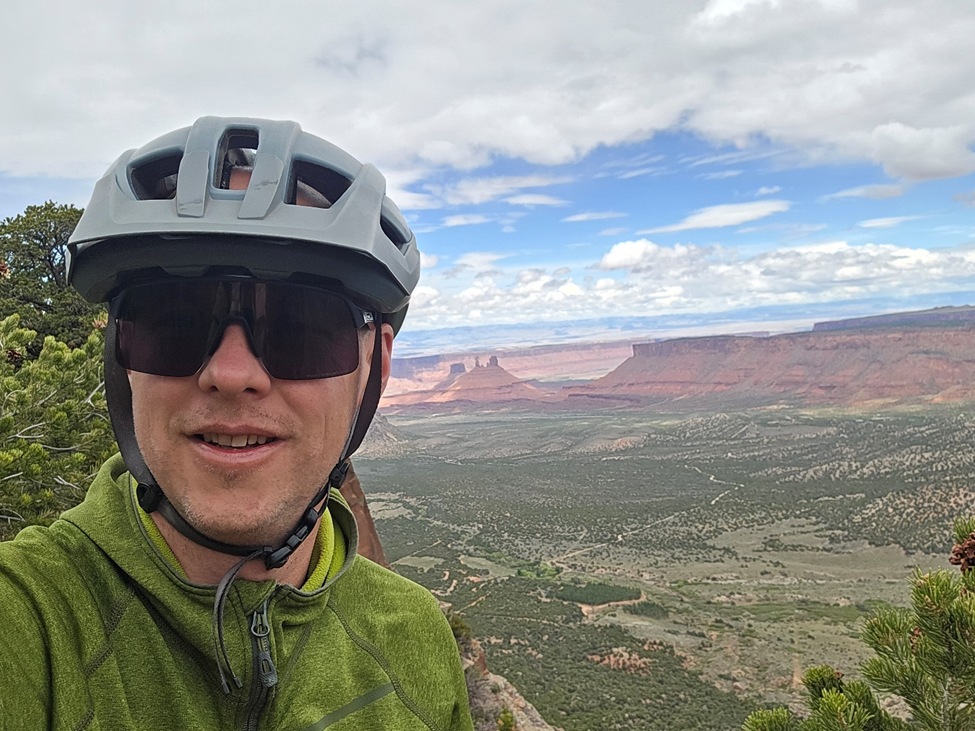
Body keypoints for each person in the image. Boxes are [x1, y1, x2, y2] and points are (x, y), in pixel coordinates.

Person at [0, 116, 473, 729]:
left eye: (302, 326)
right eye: (172, 319)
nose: (231, 372)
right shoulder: (29, 622)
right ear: (121, 354)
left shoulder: (416, 641)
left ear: (374, 366)